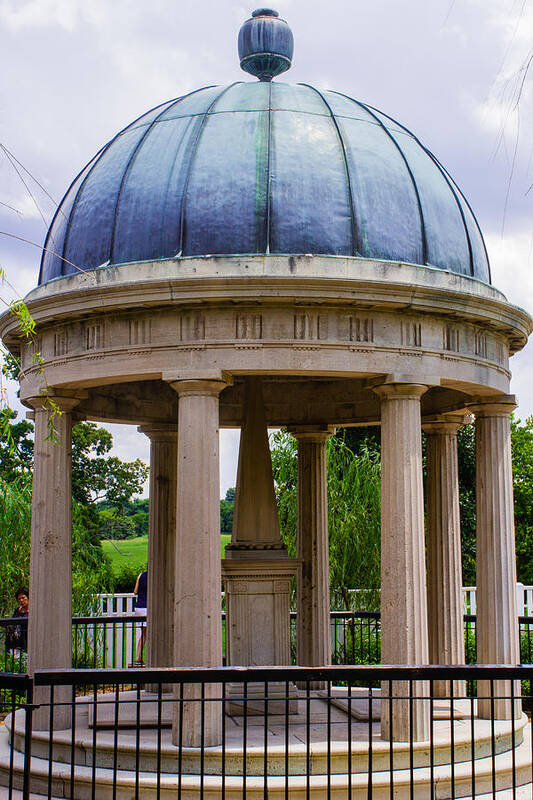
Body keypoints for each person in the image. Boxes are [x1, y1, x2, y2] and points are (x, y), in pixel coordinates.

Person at [6, 587, 29, 655]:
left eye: (23, 598)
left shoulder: (33, 611)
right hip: (16, 642)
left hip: (27, 642)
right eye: (19, 599)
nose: (21, 600)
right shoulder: (17, 611)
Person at [133, 568, 147, 665]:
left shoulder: (140, 575)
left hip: (138, 607)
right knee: (148, 634)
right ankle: (139, 656)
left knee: (144, 634)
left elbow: (135, 591)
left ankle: (138, 656)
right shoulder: (154, 577)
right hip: (147, 607)